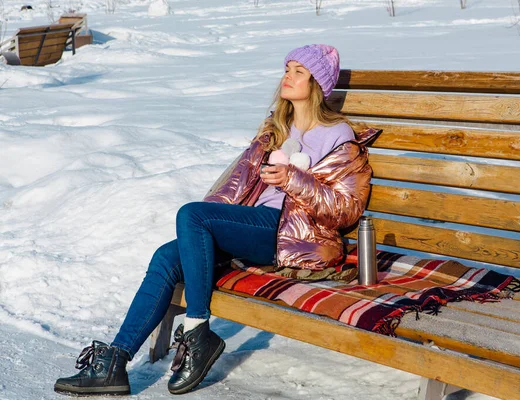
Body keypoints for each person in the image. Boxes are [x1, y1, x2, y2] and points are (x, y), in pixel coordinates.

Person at [54, 44, 378, 396]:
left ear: (317, 84)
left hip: (291, 235)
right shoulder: (276, 129)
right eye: (288, 67)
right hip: (252, 223)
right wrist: (205, 227)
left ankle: (197, 331)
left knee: (191, 214)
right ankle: (115, 363)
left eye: (299, 71)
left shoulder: (338, 137)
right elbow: (235, 187)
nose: (288, 75)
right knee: (168, 255)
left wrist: (290, 179)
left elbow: (346, 209)